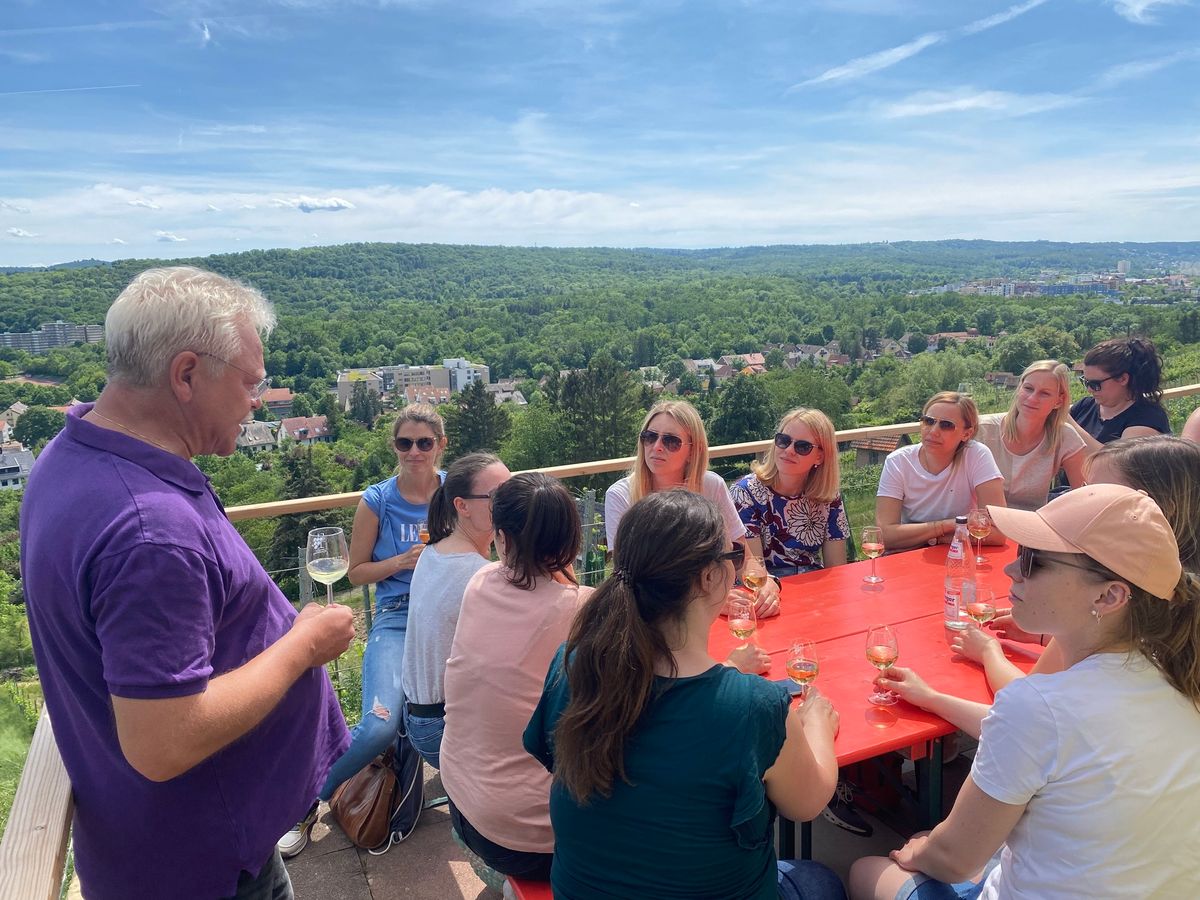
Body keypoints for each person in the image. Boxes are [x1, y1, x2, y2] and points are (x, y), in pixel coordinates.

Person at [19, 266, 354, 900]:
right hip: (202, 863)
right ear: (187, 374)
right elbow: (162, 742)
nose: (258, 398)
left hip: (184, 840)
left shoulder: (72, 455)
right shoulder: (150, 531)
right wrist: (304, 646)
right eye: (251, 382)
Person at [850, 484, 1200, 900]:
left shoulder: (1038, 707)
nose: (1011, 571)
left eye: (1034, 560)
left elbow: (955, 860)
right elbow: (1050, 739)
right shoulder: (1180, 675)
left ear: (1110, 595)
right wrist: (933, 699)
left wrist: (919, 853)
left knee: (865, 869)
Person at [524, 490, 846, 900]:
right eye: (732, 557)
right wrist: (817, 723)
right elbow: (808, 803)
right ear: (710, 577)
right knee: (823, 881)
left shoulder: (574, 664)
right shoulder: (754, 707)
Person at [291, 403, 447, 845]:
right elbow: (355, 571)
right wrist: (400, 561)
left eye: (424, 442)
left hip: (451, 614)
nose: (414, 451)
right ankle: (305, 801)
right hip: (398, 616)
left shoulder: (456, 492)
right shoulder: (377, 500)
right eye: (404, 443)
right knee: (379, 724)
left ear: (440, 445)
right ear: (393, 446)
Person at [439, 473, 591, 882]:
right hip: (528, 839)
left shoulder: (480, 582)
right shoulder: (579, 609)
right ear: (571, 538)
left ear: (502, 536)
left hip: (461, 802)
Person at [605, 399, 781, 620]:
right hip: (654, 617)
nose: (656, 446)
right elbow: (628, 580)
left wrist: (766, 584)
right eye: (649, 437)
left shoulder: (711, 486)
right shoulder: (621, 496)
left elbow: (742, 556)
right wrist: (707, 601)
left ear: (693, 450)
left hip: (712, 612)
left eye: (671, 441)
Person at [401, 451, 511, 768]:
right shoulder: (479, 575)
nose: (511, 502)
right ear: (461, 506)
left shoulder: (433, 551)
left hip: (417, 716)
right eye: (498, 497)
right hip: (444, 729)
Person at [876, 392, 1007, 552]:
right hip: (908, 557)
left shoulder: (976, 455)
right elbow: (884, 536)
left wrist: (933, 538)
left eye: (946, 425)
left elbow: (998, 532)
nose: (933, 431)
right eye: (928, 421)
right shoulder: (898, 462)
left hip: (958, 554)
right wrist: (949, 525)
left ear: (967, 434)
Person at [730, 407, 849, 575]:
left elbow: (836, 569)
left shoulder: (828, 496)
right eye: (784, 440)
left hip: (813, 585)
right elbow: (752, 572)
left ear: (820, 457)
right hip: (767, 588)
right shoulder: (745, 493)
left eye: (802, 446)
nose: (789, 450)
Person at [973, 361, 1086, 510]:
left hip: (1029, 526)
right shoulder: (982, 430)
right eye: (1028, 388)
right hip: (979, 525)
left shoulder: (1065, 437)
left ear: (1059, 401)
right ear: (1019, 389)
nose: (1032, 398)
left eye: (1044, 393)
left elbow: (1084, 496)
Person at [1069, 336, 1170, 449]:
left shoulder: (1148, 418)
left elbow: (1114, 463)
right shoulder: (1085, 406)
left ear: (1122, 379)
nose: (1089, 389)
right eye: (1085, 381)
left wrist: (1067, 422)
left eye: (1095, 384)